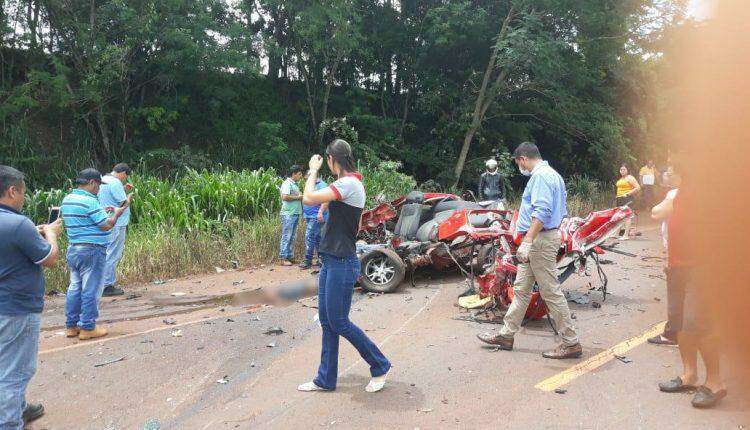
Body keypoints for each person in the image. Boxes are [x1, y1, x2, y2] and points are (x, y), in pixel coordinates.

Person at [297, 139, 391, 393]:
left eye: (326, 161)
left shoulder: (349, 183)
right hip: (330, 261)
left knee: (339, 322)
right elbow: (328, 196)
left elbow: (308, 198)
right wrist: (326, 204)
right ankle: (325, 379)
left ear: (331, 159)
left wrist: (313, 171)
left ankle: (379, 364)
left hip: (342, 263)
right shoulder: (346, 183)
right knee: (328, 322)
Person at [477, 142, 582, 359]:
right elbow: (561, 210)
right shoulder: (553, 175)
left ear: (523, 159)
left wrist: (528, 240)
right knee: (522, 289)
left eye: (518, 163)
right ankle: (506, 335)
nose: (520, 168)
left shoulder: (541, 176)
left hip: (539, 240)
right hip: (542, 238)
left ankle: (571, 342)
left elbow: (542, 211)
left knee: (550, 291)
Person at [0, 165, 62, 429]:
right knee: (15, 372)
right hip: (17, 309)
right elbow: (49, 258)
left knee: (5, 364)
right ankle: (10, 422)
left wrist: (30, 234)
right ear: (12, 190)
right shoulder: (17, 224)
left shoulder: (17, 227)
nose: (24, 197)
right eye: (23, 192)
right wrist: (51, 235)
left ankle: (19, 408)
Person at [655, 178, 725, 408]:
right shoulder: (681, 190)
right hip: (677, 265)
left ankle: (715, 383)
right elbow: (662, 215)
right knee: (678, 323)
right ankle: (689, 375)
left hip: (702, 267)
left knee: (698, 324)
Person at [61, 169, 128, 341]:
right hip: (92, 250)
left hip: (74, 248)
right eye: (98, 185)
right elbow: (105, 225)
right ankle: (88, 327)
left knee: (75, 287)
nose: (99, 189)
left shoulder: (68, 199)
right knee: (91, 289)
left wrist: (103, 211)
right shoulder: (90, 201)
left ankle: (71, 325)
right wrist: (116, 213)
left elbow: (87, 221)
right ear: (92, 183)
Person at [648, 187, 680, 346]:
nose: (667, 171)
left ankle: (673, 334)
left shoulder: (676, 193)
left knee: (678, 294)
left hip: (681, 253)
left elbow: (656, 213)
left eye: (671, 167)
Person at [98, 163, 135, 297]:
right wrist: (129, 198)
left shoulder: (104, 179)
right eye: (126, 176)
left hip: (106, 220)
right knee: (113, 253)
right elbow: (122, 203)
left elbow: (110, 197)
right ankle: (107, 285)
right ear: (123, 173)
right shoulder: (115, 182)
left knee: (107, 251)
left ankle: (102, 283)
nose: (125, 179)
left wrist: (123, 189)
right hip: (117, 222)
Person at [299, 170, 328, 270]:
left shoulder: (322, 185)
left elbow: (326, 200)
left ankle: (308, 260)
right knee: (316, 237)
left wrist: (320, 212)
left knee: (309, 236)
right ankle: (321, 259)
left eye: (308, 177)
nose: (306, 180)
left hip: (317, 215)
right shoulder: (310, 185)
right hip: (309, 215)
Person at [279, 165, 304, 266]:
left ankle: (289, 256)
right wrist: (298, 197)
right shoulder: (287, 183)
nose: (300, 176)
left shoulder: (295, 184)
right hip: (288, 213)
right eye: (299, 174)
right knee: (287, 235)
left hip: (294, 213)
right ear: (294, 174)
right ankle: (283, 257)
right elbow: (284, 197)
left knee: (292, 236)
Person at [615, 164, 641, 239]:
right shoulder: (621, 179)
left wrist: (628, 194)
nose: (622, 171)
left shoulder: (630, 177)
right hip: (619, 199)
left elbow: (638, 187)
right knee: (619, 217)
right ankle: (616, 234)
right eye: (621, 170)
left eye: (624, 169)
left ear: (627, 170)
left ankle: (626, 235)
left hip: (627, 198)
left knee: (627, 217)